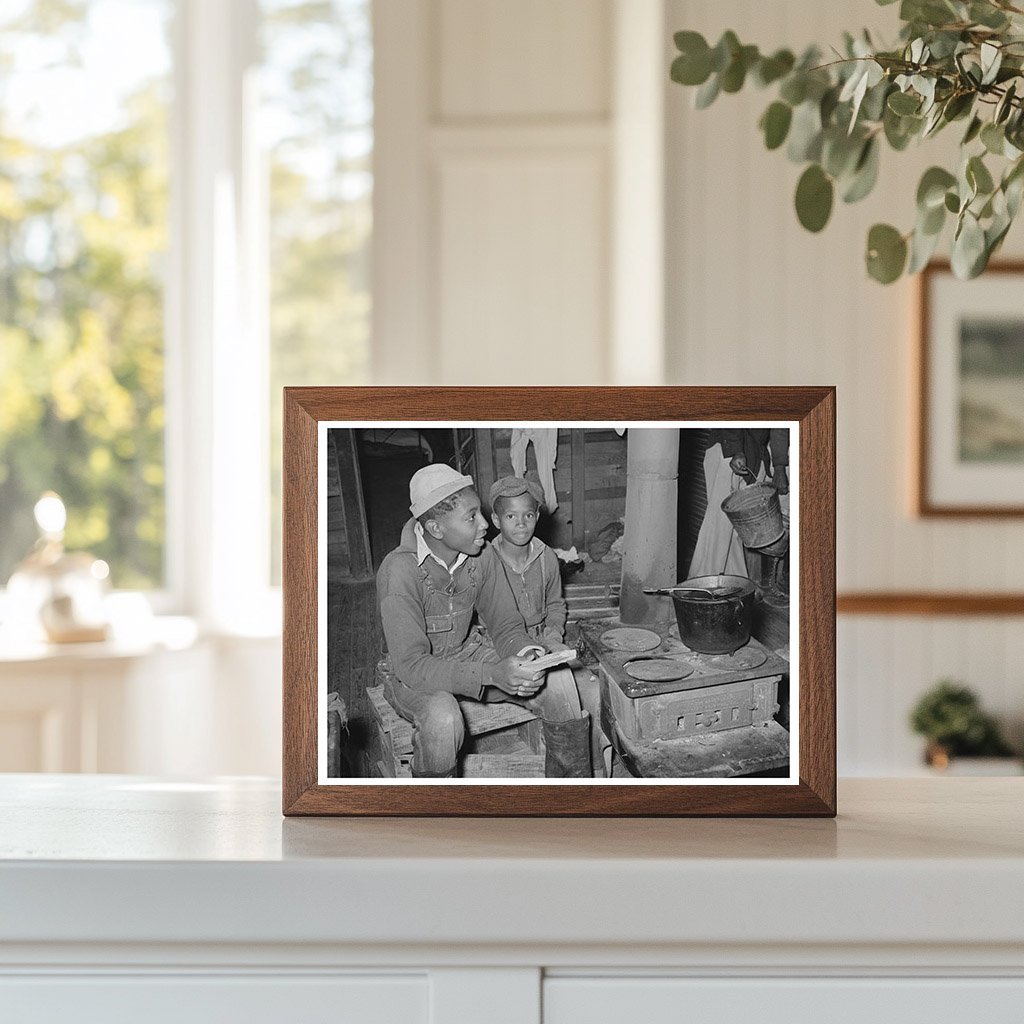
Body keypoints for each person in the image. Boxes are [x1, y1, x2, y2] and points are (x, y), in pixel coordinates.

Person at [376, 464, 592, 779]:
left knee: (558, 682)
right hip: (410, 676)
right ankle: (433, 817)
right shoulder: (399, 572)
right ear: (436, 529)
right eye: (472, 517)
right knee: (442, 717)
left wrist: (527, 652)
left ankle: (570, 801)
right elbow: (411, 665)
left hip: (467, 652)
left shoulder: (481, 556)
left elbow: (505, 625)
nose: (483, 525)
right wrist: (491, 674)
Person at [481, 476, 607, 776]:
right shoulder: (484, 560)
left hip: (542, 640)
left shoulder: (546, 557)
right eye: (511, 516)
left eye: (528, 515)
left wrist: (553, 638)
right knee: (559, 692)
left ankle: (597, 774)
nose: (521, 524)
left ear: (537, 516)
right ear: (496, 520)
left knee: (592, 689)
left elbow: (555, 605)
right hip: (498, 646)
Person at [688, 428, 789, 579]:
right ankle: (702, 585)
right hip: (730, 452)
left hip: (754, 455)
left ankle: (734, 582)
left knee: (735, 531)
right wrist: (736, 450)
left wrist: (779, 467)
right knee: (719, 526)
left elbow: (779, 427)